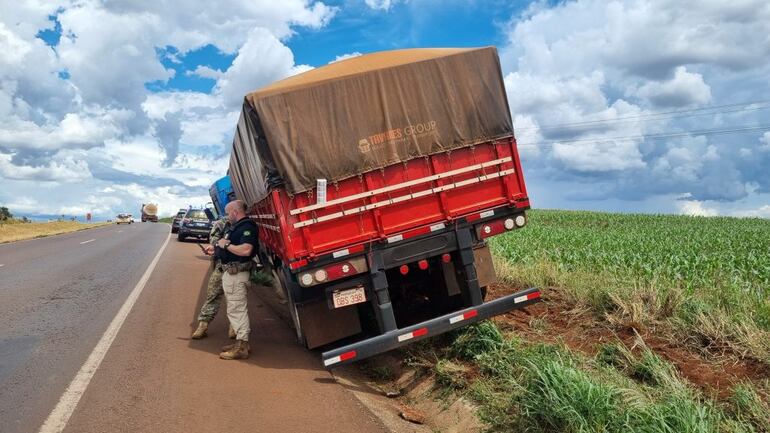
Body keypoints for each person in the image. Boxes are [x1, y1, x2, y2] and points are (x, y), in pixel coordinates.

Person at [214, 200, 258, 360]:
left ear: (234, 211)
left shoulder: (246, 227)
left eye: (227, 212)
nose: (227, 216)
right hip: (232, 273)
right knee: (236, 308)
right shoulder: (237, 227)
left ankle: (241, 347)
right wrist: (218, 247)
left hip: (236, 274)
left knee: (237, 310)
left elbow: (246, 250)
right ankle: (241, 343)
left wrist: (226, 246)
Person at [191, 215, 236, 340]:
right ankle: (203, 325)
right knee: (213, 294)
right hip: (221, 265)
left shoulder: (245, 224)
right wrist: (215, 248)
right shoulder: (221, 223)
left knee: (235, 298)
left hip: (238, 266)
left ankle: (235, 327)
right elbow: (214, 241)